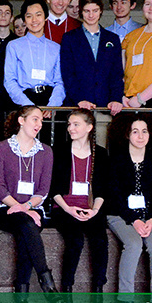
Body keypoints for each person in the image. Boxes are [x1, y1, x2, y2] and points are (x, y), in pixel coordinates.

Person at [0, 106, 57, 294]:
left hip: (34, 209)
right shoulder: (1, 148)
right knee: (27, 225)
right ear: (21, 121)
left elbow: (43, 189)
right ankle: (46, 281)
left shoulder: (46, 152)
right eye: (35, 119)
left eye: (41, 121)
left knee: (26, 229)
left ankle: (22, 292)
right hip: (5, 208)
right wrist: (20, 207)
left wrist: (26, 207)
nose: (39, 124)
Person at [105, 113, 152, 303]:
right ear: (127, 135)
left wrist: (150, 220)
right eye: (135, 131)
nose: (140, 136)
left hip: (149, 215)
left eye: (144, 131)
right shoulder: (115, 160)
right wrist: (134, 220)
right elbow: (114, 196)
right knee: (133, 244)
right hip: (120, 214)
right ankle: (126, 299)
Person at [50, 110, 109, 293]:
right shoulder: (59, 151)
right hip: (63, 207)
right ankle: (67, 288)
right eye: (69, 124)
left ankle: (98, 290)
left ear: (89, 127)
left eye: (76, 124)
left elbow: (102, 189)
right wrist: (68, 209)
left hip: (90, 207)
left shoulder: (99, 153)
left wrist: (95, 210)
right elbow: (53, 189)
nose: (70, 128)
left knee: (100, 240)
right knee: (75, 240)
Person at [59, 0, 125, 114]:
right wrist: (79, 99)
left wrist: (116, 99)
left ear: (101, 11)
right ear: (81, 12)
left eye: (95, 10)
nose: (91, 15)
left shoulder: (112, 39)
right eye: (86, 11)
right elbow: (67, 73)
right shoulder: (69, 38)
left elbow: (116, 73)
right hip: (77, 106)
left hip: (106, 106)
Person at [4, 0, 65, 107]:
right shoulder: (14, 46)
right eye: (29, 16)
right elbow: (9, 80)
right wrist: (27, 104)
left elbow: (60, 81)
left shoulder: (56, 48)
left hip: (50, 99)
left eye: (38, 15)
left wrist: (53, 105)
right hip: (24, 100)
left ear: (46, 17)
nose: (34, 20)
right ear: (24, 20)